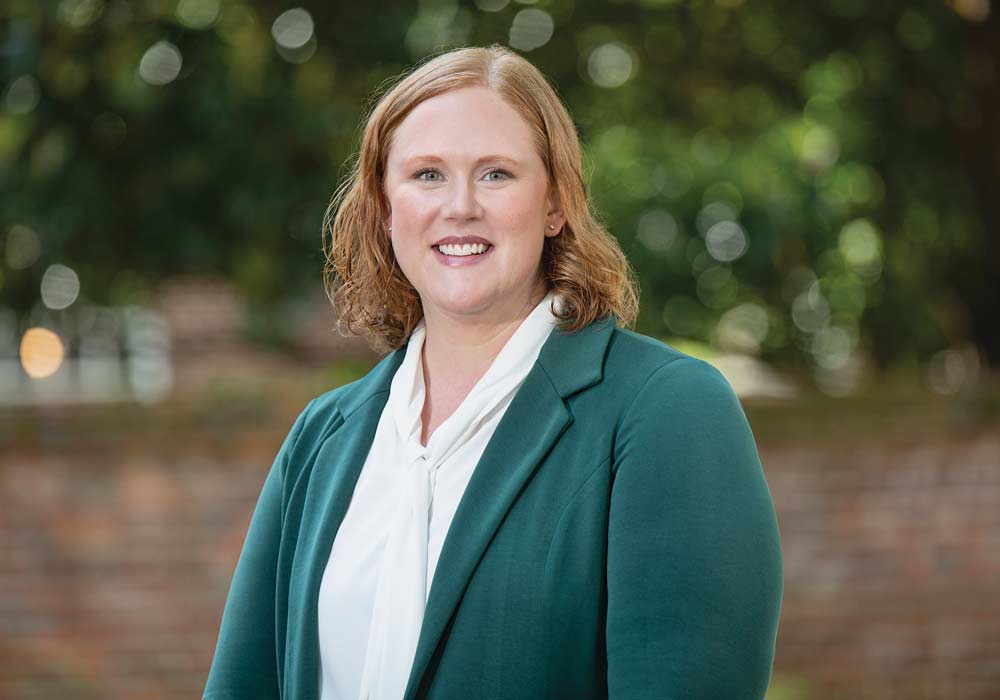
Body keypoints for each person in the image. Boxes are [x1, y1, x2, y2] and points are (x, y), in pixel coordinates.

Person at [203, 43, 782, 700]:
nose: (460, 207)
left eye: (496, 174)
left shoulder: (666, 411)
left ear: (555, 203)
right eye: (427, 174)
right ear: (386, 209)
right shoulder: (322, 438)